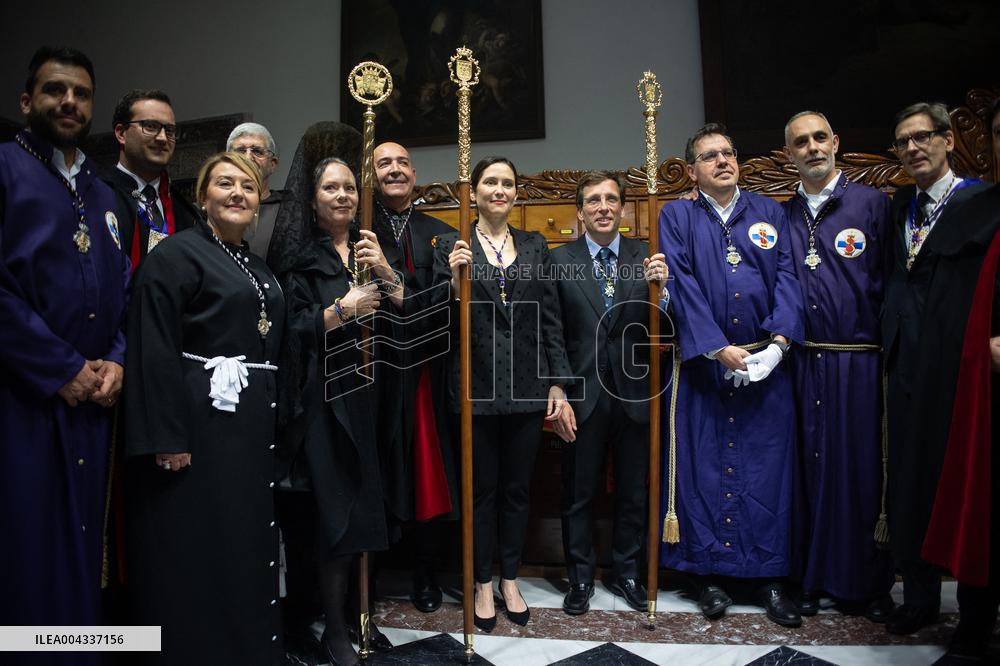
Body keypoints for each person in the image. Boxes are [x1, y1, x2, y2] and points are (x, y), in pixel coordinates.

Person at [123, 152, 284, 665]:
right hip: (198, 427)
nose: (238, 192)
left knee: (237, 540)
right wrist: (167, 435)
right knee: (198, 543)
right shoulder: (175, 256)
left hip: (247, 431)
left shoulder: (256, 265)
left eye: (249, 186)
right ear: (202, 197)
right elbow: (153, 348)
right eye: (224, 183)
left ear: (260, 202)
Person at [0, 47, 128, 666]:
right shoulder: (4, 169)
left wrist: (119, 361)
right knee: (30, 545)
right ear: (28, 102)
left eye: (80, 92)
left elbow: (126, 294)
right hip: (24, 400)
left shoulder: (103, 193)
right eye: (55, 90)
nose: (69, 103)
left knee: (85, 548)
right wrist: (60, 368)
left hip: (94, 403)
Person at [659, 123, 804, 627]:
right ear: (692, 169)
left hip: (766, 369)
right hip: (705, 369)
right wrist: (717, 348)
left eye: (727, 152)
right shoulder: (676, 214)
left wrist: (779, 346)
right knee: (703, 468)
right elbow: (680, 281)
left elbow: (789, 277)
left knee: (769, 471)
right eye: (709, 155)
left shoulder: (770, 212)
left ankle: (770, 578)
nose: (722, 161)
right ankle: (710, 577)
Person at [434, 156, 573, 630]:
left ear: (516, 193)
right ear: (472, 192)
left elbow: (551, 318)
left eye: (507, 183)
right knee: (480, 492)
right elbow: (435, 325)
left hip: (528, 387)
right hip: (475, 386)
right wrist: (454, 283)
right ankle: (479, 580)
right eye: (490, 182)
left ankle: (509, 577)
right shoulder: (453, 246)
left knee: (517, 489)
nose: (499, 189)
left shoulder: (536, 245)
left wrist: (558, 381)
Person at [278, 156, 399, 666]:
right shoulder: (301, 260)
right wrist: (342, 310)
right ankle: (330, 626)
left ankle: (356, 612)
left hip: (373, 398)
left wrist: (388, 275)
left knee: (366, 509)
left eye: (350, 187)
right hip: (326, 406)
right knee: (336, 515)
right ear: (313, 200)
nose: (344, 196)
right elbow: (289, 331)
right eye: (332, 188)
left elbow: (407, 312)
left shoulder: (374, 251)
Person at [780, 111, 896, 620]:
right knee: (810, 470)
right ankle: (813, 577)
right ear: (789, 155)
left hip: (859, 364)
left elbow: (894, 284)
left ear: (836, 143)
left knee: (860, 469)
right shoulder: (781, 215)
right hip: (802, 363)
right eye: (800, 142)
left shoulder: (872, 205)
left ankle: (867, 583)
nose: (812, 148)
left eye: (819, 138)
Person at [881, 102, 990, 638]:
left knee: (967, 485)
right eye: (903, 142)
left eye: (922, 137)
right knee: (910, 481)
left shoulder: (984, 204)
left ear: (948, 140)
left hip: (959, 369)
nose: (912, 148)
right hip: (903, 365)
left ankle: (974, 616)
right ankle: (919, 598)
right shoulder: (900, 205)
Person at [548, 170, 668, 615]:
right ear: (579, 212)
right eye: (593, 200)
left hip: (637, 394)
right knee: (578, 492)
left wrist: (665, 291)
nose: (603, 207)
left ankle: (628, 573)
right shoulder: (560, 260)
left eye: (611, 199)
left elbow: (663, 326)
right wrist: (557, 385)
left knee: (634, 491)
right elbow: (552, 330)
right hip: (583, 394)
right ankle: (580, 579)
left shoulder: (647, 256)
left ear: (623, 208)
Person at [916, 97, 1000, 664]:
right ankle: (972, 629)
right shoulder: (979, 208)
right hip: (984, 389)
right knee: (985, 506)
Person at [370, 141, 457, 613]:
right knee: (374, 468)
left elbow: (441, 305)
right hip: (370, 370)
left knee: (426, 473)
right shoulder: (358, 231)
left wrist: (399, 290)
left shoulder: (439, 234)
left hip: (422, 370)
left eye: (402, 162)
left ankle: (426, 574)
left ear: (415, 173)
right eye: (384, 163)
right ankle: (374, 572)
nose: (395, 170)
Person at [102, 89, 199, 268]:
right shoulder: (98, 195)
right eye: (150, 126)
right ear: (121, 133)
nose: (162, 138)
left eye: (169, 130)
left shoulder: (185, 210)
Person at [227, 121, 289, 260]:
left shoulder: (289, 209)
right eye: (240, 151)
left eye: (257, 151)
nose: (248, 157)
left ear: (272, 164)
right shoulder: (214, 207)